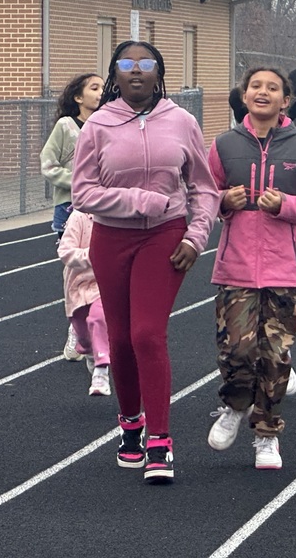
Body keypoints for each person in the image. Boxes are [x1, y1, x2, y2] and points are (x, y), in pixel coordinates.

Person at [72, 40, 219, 484]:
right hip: (111, 239)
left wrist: (196, 237)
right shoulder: (97, 125)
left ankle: (160, 439)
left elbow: (204, 189)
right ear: (115, 74)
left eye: (146, 64)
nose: (137, 71)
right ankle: (130, 425)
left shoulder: (182, 122)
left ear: (159, 72)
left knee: (147, 334)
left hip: (166, 237)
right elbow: (83, 192)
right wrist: (139, 200)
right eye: (127, 64)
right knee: (118, 339)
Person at [205, 66, 296, 470]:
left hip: (286, 270)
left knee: (276, 356)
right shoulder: (224, 145)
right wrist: (226, 200)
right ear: (245, 96)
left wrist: (286, 206)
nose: (263, 92)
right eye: (256, 86)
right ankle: (236, 406)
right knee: (237, 350)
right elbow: (204, 197)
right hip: (236, 266)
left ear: (284, 99)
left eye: (272, 88)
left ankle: (267, 433)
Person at [40, 72, 103, 363]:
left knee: (101, 269)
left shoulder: (106, 125)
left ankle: (94, 330)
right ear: (78, 97)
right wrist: (79, 182)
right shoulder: (66, 127)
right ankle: (75, 328)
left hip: (101, 208)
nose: (100, 91)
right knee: (76, 270)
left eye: (103, 87)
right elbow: (48, 164)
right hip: (70, 207)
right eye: (94, 87)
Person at [57, 208, 111, 397]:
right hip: (78, 284)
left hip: (104, 281)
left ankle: (101, 370)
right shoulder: (79, 218)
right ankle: (89, 350)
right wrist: (93, 254)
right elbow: (65, 251)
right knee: (84, 333)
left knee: (99, 318)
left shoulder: (116, 217)